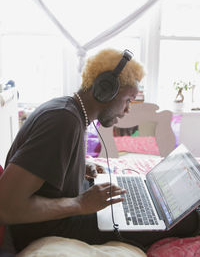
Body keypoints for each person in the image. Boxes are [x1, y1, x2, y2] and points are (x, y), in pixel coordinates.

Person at [0, 48, 199, 253]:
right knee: (188, 220)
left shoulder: (68, 111)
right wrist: (80, 204)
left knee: (142, 202)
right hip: (51, 226)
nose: (127, 110)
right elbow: (6, 207)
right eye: (128, 100)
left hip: (62, 212)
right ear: (106, 90)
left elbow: (44, 163)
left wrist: (77, 164)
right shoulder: (62, 121)